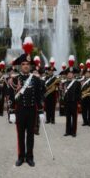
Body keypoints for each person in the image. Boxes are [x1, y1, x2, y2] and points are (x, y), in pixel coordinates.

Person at [9, 37, 44, 167]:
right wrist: (11, 112)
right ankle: (20, 156)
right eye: (23, 64)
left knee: (30, 135)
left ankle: (30, 157)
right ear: (20, 66)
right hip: (20, 110)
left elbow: (39, 96)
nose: (25, 66)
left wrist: (40, 111)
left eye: (27, 64)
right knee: (20, 135)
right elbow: (11, 96)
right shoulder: (14, 79)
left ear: (30, 66)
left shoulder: (35, 79)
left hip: (32, 110)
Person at [63, 55, 81, 137]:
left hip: (74, 102)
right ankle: (67, 131)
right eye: (68, 74)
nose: (70, 75)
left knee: (74, 118)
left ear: (73, 74)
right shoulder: (65, 83)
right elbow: (64, 93)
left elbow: (79, 93)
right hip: (67, 102)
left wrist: (78, 102)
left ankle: (74, 132)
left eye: (71, 73)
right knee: (68, 118)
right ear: (67, 75)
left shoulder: (77, 83)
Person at [81, 60, 90, 127]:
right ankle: (85, 121)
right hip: (83, 96)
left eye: (89, 73)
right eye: (86, 73)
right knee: (84, 110)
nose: (87, 74)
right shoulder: (81, 80)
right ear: (84, 73)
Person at [44, 57, 58, 124]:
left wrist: (56, 88)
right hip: (47, 94)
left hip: (53, 94)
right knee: (47, 108)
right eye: (50, 71)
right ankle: (48, 119)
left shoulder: (55, 78)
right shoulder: (45, 78)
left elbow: (58, 87)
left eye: (52, 71)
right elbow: (44, 86)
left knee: (52, 108)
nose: (51, 72)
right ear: (48, 71)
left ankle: (52, 119)